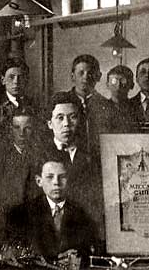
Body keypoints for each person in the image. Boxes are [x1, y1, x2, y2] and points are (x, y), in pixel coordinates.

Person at [38, 92, 103, 234]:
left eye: (72, 117)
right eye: (60, 118)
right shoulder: (39, 157)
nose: (66, 124)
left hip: (86, 230)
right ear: (50, 123)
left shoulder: (93, 156)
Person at [22, 158, 98, 269]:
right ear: (39, 181)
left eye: (62, 177)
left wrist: (79, 257)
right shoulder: (25, 213)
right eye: (50, 177)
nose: (56, 183)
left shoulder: (82, 213)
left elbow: (92, 248)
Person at [0, 110, 38, 208]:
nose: (21, 133)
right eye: (17, 128)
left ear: (33, 129)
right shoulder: (1, 157)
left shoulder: (39, 155)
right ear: (10, 129)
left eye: (27, 128)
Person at [67, 53, 105, 149]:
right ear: (72, 76)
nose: (86, 77)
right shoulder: (62, 102)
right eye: (81, 73)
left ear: (98, 76)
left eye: (90, 73)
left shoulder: (105, 105)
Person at [100, 64, 137, 133]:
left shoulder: (137, 108)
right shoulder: (100, 109)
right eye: (114, 81)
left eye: (123, 82)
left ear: (132, 85)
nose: (118, 85)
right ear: (107, 84)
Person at [0, 57, 32, 122]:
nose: (16, 81)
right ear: (3, 80)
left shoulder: (33, 106)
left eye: (20, 77)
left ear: (26, 80)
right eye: (11, 77)